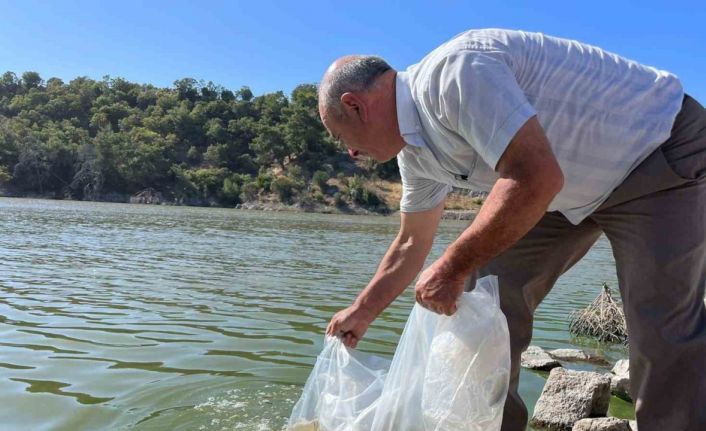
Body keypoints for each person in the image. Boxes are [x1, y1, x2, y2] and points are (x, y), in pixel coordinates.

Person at [319, 29, 706, 430]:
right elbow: (411, 242)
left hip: (656, 153)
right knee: (485, 296)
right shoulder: (416, 154)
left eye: (339, 135)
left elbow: (533, 176)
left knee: (661, 326)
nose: (349, 152)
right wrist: (362, 311)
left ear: (356, 105)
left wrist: (449, 266)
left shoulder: (455, 74)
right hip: (558, 184)